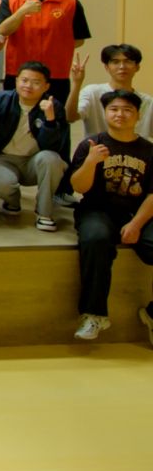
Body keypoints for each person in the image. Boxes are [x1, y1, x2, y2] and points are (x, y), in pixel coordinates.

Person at [66, 91, 153, 341]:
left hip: (137, 212)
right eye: (114, 109)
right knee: (96, 240)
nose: (120, 114)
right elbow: (79, 187)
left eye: (127, 110)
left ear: (138, 116)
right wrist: (91, 162)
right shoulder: (91, 144)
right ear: (105, 113)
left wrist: (136, 224)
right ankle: (94, 315)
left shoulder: (149, 150)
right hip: (97, 209)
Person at [0, 62, 71, 232]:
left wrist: (50, 120)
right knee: (1, 183)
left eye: (36, 82)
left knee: (51, 159)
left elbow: (51, 146)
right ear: (16, 81)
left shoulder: (53, 106)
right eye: (24, 80)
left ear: (46, 86)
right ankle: (12, 201)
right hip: (3, 159)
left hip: (34, 163)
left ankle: (44, 213)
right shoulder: (3, 98)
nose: (28, 86)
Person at [0, 0, 88, 106]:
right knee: (15, 116)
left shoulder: (71, 3)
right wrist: (22, 11)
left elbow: (79, 39)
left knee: (54, 116)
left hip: (56, 75)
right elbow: (3, 30)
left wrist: (55, 46)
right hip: (19, 73)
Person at [71, 44, 150, 141]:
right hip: (96, 149)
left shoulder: (148, 102)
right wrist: (77, 83)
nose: (122, 66)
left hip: (138, 150)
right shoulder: (92, 92)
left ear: (137, 67)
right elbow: (71, 117)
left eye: (128, 61)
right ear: (106, 67)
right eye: (115, 62)